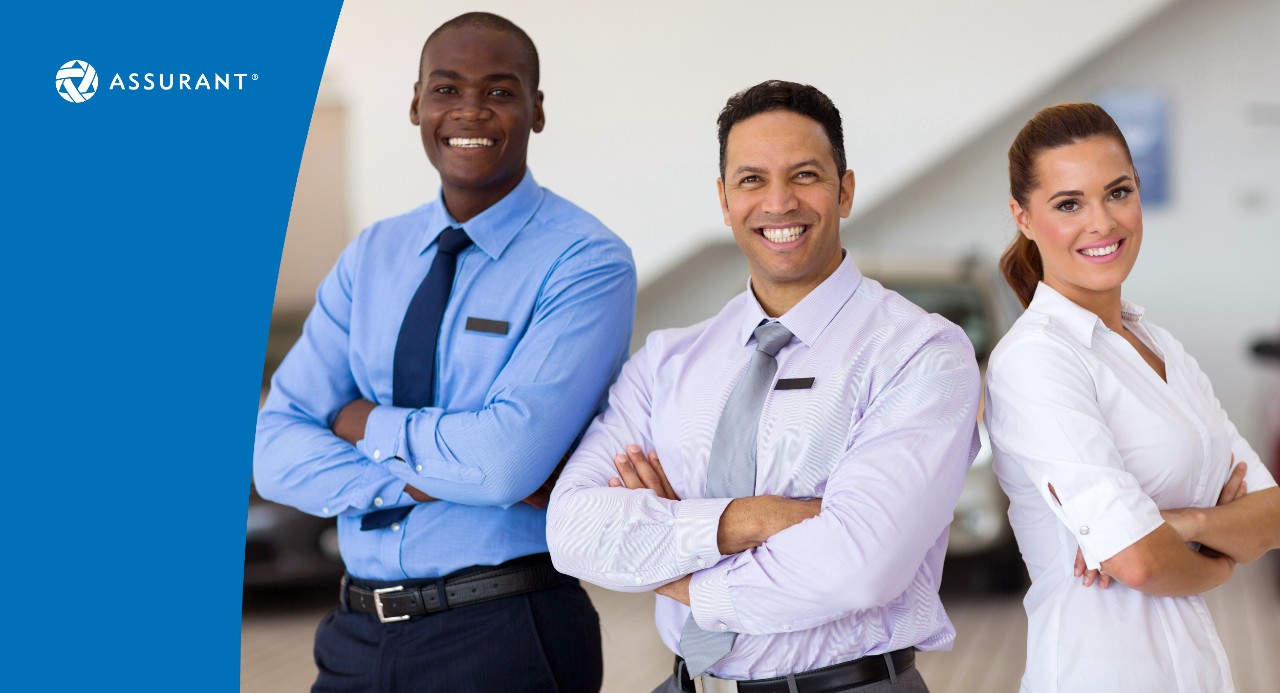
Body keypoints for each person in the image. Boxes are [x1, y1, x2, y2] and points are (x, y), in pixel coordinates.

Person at [547, 80, 981, 693]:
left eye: (804, 175)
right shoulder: (669, 360)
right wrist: (753, 519)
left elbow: (859, 566)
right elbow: (572, 532)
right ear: (724, 201)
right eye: (752, 180)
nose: (779, 202)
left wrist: (669, 557)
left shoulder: (918, 352)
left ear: (845, 190)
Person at [253, 12, 635, 692]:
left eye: (498, 90)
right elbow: (273, 451)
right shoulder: (371, 255)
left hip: (503, 630)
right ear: (416, 104)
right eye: (447, 88)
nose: (470, 110)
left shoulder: (585, 260)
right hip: (354, 634)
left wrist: (363, 423)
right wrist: (429, 475)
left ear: (535, 110)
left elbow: (501, 463)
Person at [984, 102, 1280, 692]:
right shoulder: (1035, 360)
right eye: (1069, 204)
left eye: (1117, 192)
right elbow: (1137, 562)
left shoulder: (1158, 344)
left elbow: (1271, 516)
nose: (1102, 222)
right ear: (1022, 216)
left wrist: (1184, 522)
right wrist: (1220, 557)